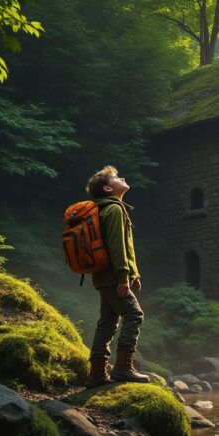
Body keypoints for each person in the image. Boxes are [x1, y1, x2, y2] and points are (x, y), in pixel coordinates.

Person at [84, 165, 149, 388]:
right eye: (116, 178)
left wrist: (133, 274)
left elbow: (124, 248)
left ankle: (97, 372)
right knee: (134, 315)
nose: (122, 178)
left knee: (107, 322)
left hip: (104, 276)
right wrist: (123, 277)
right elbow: (117, 246)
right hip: (113, 276)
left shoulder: (105, 209)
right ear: (108, 188)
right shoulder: (114, 209)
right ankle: (123, 368)